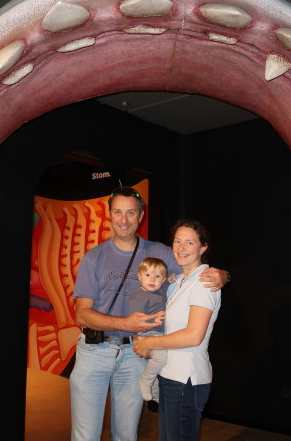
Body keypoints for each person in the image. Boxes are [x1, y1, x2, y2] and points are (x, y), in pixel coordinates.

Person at [70, 186, 228, 441]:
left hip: (135, 355)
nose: (124, 220)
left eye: (130, 213)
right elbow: (82, 315)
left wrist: (223, 275)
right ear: (109, 215)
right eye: (118, 212)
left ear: (140, 216)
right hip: (94, 352)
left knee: (126, 434)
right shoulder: (94, 258)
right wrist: (126, 323)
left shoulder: (162, 253)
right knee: (85, 434)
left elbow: (195, 265)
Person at [133, 218, 221, 441]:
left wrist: (148, 343)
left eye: (189, 243)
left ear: (203, 247)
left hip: (186, 379)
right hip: (170, 376)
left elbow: (193, 336)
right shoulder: (177, 282)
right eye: (177, 241)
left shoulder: (204, 282)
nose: (181, 248)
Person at [128, 257, 169, 403]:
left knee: (158, 365)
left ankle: (156, 394)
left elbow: (169, 282)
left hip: (159, 333)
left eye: (157, 276)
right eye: (147, 275)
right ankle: (145, 381)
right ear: (139, 276)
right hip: (146, 334)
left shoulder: (160, 292)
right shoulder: (138, 297)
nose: (152, 279)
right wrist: (153, 319)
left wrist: (172, 279)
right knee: (161, 357)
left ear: (163, 280)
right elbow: (136, 321)